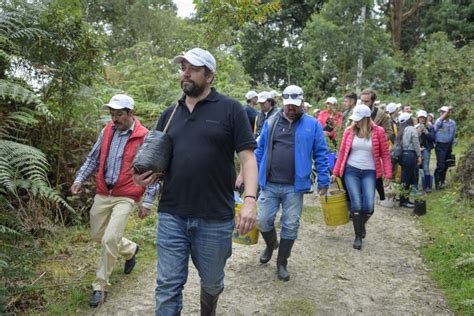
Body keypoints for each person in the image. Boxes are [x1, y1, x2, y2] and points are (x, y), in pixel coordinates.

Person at [133, 48, 258, 315]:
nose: (185, 73)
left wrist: (249, 200)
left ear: (209, 75)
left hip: (215, 216)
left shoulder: (231, 110)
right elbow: (153, 162)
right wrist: (140, 178)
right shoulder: (169, 115)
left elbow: (248, 159)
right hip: (172, 214)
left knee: (212, 283)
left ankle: (208, 308)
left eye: (193, 68)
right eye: (183, 68)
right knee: (167, 286)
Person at [70, 94, 158, 307]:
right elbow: (93, 157)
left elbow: (152, 171)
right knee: (97, 235)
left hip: (127, 195)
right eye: (112, 114)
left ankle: (100, 286)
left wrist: (148, 201)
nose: (114, 119)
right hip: (104, 191)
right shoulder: (107, 131)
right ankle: (130, 250)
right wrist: (80, 179)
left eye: (119, 114)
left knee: (110, 238)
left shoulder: (144, 137)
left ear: (131, 113)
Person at [255, 85, 330, 281]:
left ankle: (282, 262)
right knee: (263, 220)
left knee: (290, 224)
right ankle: (271, 244)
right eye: (288, 105)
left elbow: (321, 153)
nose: (291, 108)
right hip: (269, 183)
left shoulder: (312, 125)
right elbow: (260, 150)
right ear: (282, 103)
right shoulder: (270, 122)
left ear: (302, 103)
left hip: (294, 186)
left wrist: (324, 178)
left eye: (295, 105)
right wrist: (251, 176)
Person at [332, 104, 392, 250]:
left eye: (359, 120)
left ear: (366, 119)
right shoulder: (349, 131)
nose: (356, 122)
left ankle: (360, 225)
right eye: (355, 119)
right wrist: (335, 172)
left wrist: (388, 174)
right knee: (356, 204)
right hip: (351, 170)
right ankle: (358, 236)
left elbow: (385, 154)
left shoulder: (379, 132)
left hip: (370, 172)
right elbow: (342, 152)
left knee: (369, 207)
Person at [397, 112, 422, 208]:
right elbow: (416, 143)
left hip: (403, 155)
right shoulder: (412, 129)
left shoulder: (401, 129)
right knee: (408, 178)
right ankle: (404, 200)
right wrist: (419, 155)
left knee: (404, 177)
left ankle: (403, 198)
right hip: (410, 155)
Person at [434, 106, 456, 189]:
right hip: (440, 145)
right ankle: (437, 183)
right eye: (442, 112)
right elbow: (437, 125)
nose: (442, 113)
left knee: (447, 164)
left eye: (444, 112)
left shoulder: (452, 123)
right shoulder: (439, 121)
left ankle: (442, 181)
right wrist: (447, 111)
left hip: (448, 145)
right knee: (441, 165)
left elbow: (453, 134)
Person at [415, 110, 436, 192]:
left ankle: (427, 186)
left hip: (426, 148)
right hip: (417, 149)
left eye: (423, 118)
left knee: (426, 167)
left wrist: (426, 132)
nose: (422, 119)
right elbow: (413, 138)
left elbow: (433, 139)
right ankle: (415, 186)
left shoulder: (430, 127)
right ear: (418, 118)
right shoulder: (415, 126)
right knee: (416, 167)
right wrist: (418, 132)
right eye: (420, 118)